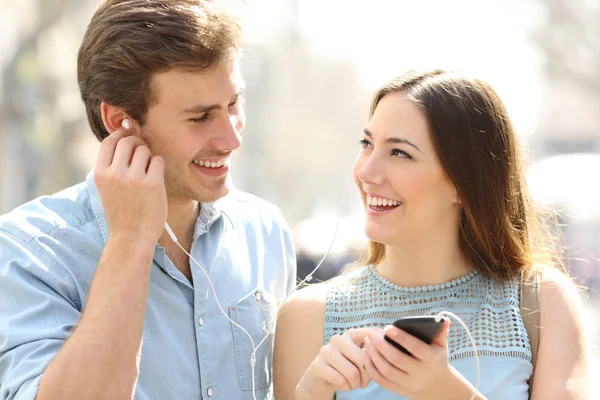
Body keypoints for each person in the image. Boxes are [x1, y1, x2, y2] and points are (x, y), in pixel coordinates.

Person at [0, 1, 296, 399]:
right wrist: (129, 241)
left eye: (232, 105)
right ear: (120, 122)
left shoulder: (265, 230)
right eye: (200, 117)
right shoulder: (26, 252)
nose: (232, 138)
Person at [273, 69, 589, 400]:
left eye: (399, 153)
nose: (366, 172)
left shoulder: (542, 302)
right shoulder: (306, 317)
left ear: (463, 183)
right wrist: (310, 394)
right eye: (367, 144)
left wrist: (451, 394)